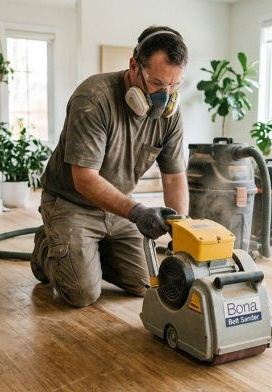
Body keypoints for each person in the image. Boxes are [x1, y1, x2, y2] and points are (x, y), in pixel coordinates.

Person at [30, 25, 189, 307]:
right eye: (156, 83)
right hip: (70, 202)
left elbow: (175, 177)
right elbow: (85, 180)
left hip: (116, 207)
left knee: (147, 283)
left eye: (173, 85)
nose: (164, 96)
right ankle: (47, 248)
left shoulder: (170, 116)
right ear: (133, 66)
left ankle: (86, 252)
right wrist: (138, 212)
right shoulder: (94, 99)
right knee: (82, 293)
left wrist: (181, 231)